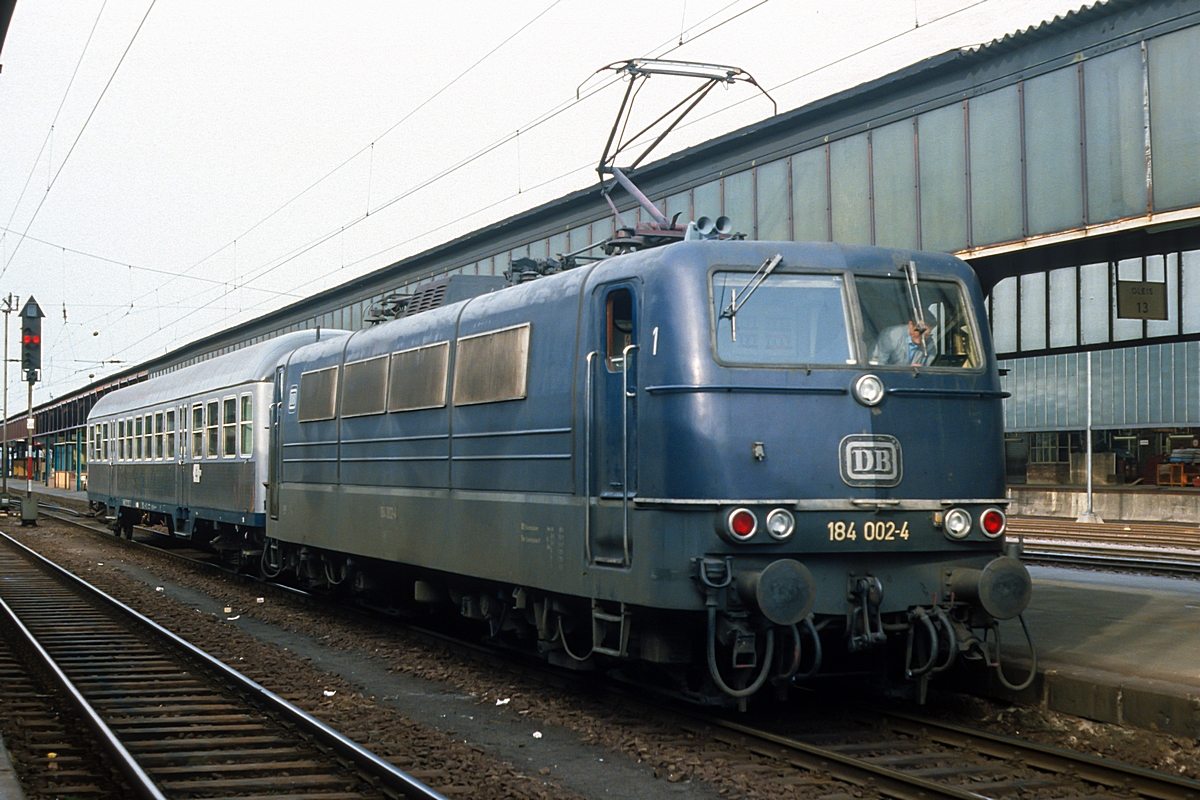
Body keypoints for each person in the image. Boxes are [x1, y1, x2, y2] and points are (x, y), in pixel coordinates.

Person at [869, 318, 937, 366]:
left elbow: (932, 366)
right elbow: (877, 364)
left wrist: (923, 369)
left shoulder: (929, 342)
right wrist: (907, 370)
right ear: (910, 325)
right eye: (920, 332)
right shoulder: (891, 336)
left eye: (927, 334)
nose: (923, 338)